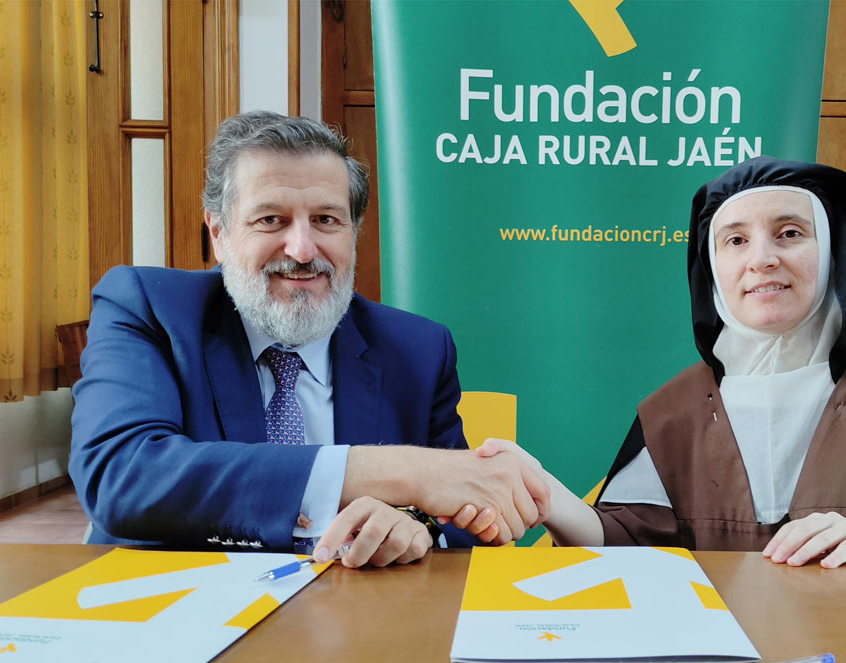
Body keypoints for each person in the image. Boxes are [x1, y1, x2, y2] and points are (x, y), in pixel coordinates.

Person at [479, 157, 846, 566]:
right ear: (713, 270)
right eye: (734, 241)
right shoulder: (674, 411)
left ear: (832, 254)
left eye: (789, 233)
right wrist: (549, 498)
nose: (762, 260)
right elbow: (630, 549)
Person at [70, 111, 547, 568]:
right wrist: (402, 474)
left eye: (326, 220)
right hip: (181, 616)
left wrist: (411, 524)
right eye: (271, 220)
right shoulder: (148, 307)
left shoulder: (419, 349)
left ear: (354, 232)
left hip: (357, 623)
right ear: (218, 232)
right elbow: (120, 474)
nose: (302, 250)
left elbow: (460, 511)